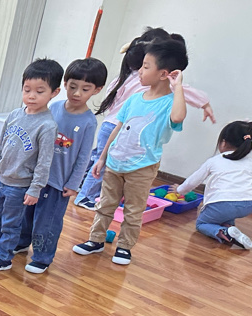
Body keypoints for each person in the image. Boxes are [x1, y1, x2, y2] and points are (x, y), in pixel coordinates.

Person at [73, 40, 189, 266]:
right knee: (105, 204)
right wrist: (102, 157)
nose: (140, 71)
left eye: (146, 66)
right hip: (115, 162)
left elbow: (177, 117)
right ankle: (96, 240)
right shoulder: (135, 99)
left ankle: (124, 247)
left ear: (163, 74)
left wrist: (178, 87)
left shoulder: (169, 103)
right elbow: (117, 128)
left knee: (133, 210)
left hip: (142, 167)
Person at [74, 28, 214, 210]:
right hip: (120, 128)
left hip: (110, 124)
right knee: (105, 164)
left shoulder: (126, 77)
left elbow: (111, 95)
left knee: (99, 158)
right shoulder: (147, 84)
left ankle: (83, 185)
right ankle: (85, 196)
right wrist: (204, 103)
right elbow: (186, 91)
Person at [0, 58, 63, 272]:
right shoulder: (14, 115)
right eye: (27, 90)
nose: (31, 96)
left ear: (54, 92)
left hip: (19, 186)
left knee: (11, 223)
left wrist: (35, 189)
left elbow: (44, 162)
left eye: (39, 91)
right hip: (2, 180)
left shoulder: (47, 126)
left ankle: (4, 257)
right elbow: (0, 145)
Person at [15, 58, 106, 273]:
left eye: (85, 89)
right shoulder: (53, 107)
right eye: (72, 86)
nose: (77, 93)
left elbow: (84, 157)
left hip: (58, 182)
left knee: (47, 222)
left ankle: (42, 257)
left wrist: (74, 184)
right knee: (26, 214)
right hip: (36, 177)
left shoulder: (88, 121)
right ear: (64, 84)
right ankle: (22, 242)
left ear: (97, 90)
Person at [173, 121, 252, 249]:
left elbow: (193, 181)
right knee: (225, 214)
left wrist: (179, 190)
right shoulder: (249, 161)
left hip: (222, 203)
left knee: (202, 223)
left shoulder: (215, 161)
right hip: (248, 204)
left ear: (223, 142)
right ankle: (229, 226)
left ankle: (224, 232)